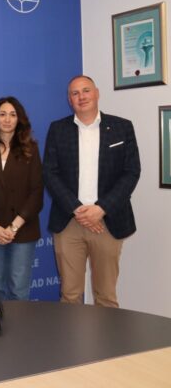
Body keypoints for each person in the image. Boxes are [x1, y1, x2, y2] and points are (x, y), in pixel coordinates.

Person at [43, 75, 140, 307]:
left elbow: (131, 172)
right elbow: (50, 173)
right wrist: (77, 209)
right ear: (69, 99)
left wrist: (101, 208)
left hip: (107, 221)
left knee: (106, 296)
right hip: (69, 222)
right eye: (75, 93)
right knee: (70, 296)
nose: (81, 97)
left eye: (86, 90)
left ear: (97, 93)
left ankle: (108, 335)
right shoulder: (58, 129)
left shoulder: (122, 127)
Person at [0, 97, 43, 301]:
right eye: (2, 114)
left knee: (18, 289)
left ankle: (20, 324)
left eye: (12, 114)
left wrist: (13, 227)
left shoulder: (30, 149)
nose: (7, 119)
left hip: (22, 229)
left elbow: (36, 192)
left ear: (19, 119)